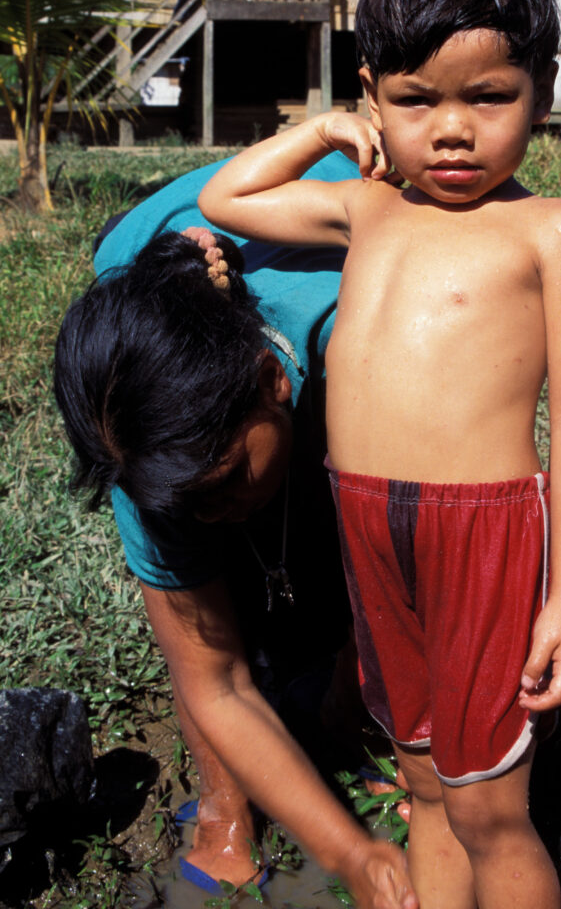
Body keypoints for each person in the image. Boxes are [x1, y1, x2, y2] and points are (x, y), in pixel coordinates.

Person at [198, 0, 561, 909]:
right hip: (366, 522)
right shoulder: (367, 207)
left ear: (541, 96)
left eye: (489, 97)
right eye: (414, 100)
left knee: (486, 808)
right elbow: (228, 196)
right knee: (423, 785)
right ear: (373, 97)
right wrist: (317, 132)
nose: (454, 129)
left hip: (485, 533)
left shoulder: (549, 232)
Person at [53, 157, 418, 909]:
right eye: (182, 501)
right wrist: (352, 853)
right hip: (153, 250)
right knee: (204, 617)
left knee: (371, 556)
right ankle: (224, 810)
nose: (208, 511)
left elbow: (414, 572)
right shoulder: (140, 436)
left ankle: (350, 719)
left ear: (272, 382)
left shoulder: (361, 336)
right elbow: (212, 679)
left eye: (222, 485)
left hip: (332, 230)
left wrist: (391, 714)